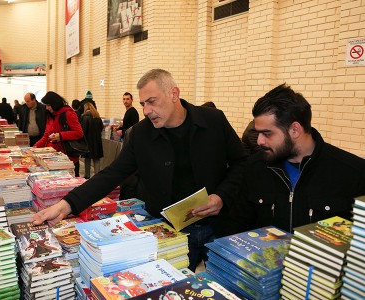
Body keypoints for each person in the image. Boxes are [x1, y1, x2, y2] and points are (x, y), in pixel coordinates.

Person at [32, 69, 248, 272]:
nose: (146, 111)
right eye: (143, 104)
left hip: (221, 227)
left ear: (174, 94)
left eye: (152, 102)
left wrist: (221, 196)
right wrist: (67, 204)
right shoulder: (142, 134)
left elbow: (241, 163)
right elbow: (112, 174)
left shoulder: (213, 121)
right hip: (172, 232)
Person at [229, 83, 365, 234]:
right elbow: (236, 225)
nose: (259, 141)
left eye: (267, 133)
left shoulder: (353, 173)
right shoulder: (255, 167)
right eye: (258, 133)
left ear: (295, 130)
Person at [34, 91, 84, 177]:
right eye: (46, 105)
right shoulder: (51, 116)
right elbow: (46, 135)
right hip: (52, 158)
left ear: (55, 103)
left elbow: (79, 133)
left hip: (67, 158)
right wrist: (35, 147)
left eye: (48, 105)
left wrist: (61, 136)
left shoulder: (68, 113)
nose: (46, 108)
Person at [80, 102, 104, 179]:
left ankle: (87, 175)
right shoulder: (98, 117)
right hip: (97, 142)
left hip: (88, 143)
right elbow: (101, 129)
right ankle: (97, 176)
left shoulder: (84, 117)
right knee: (96, 159)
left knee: (87, 159)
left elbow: (83, 131)